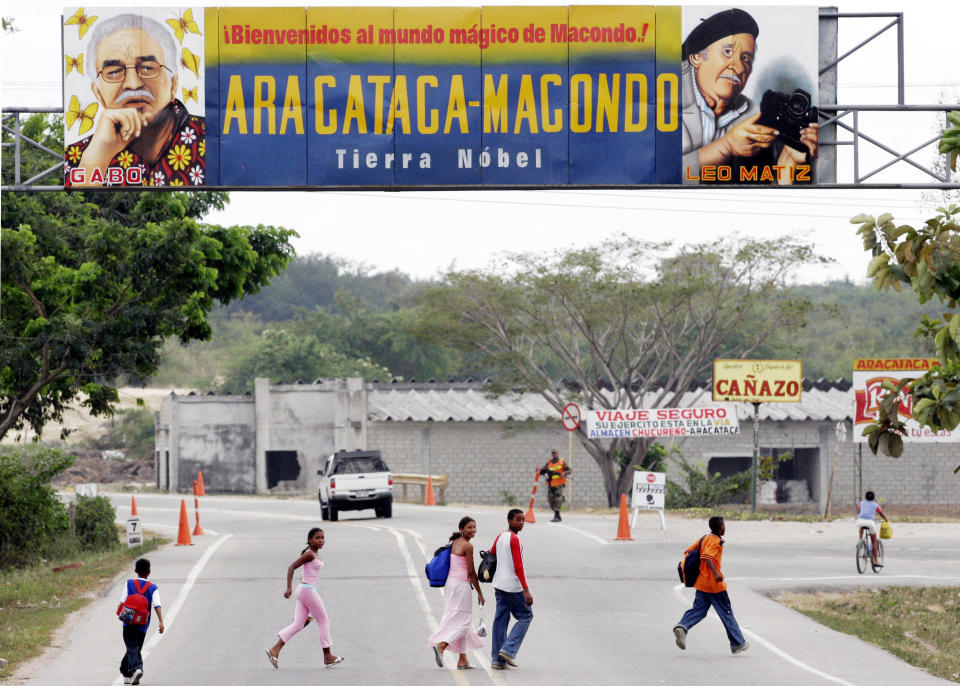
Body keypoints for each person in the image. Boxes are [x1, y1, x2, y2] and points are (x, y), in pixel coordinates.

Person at [65, 13, 205, 187]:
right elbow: (77, 208)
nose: (133, 84)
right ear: (99, 93)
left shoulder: (213, 142)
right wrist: (97, 159)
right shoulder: (77, 156)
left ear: (173, 84)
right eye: (114, 71)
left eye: (147, 68)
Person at [680, 8, 818, 184]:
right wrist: (726, 146)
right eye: (728, 52)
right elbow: (650, 173)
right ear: (696, 57)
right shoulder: (659, 99)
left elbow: (756, 197)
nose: (738, 67)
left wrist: (787, 167)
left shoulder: (753, 117)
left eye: (746, 58)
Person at [265, 527, 343, 669]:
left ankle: (274, 650)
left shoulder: (312, 554)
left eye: (322, 537)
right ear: (309, 540)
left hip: (304, 589)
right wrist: (288, 587)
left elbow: (305, 571)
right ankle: (327, 656)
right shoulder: (310, 555)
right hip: (308, 591)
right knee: (324, 621)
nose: (321, 540)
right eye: (317, 538)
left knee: (298, 624)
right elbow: (291, 567)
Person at [672, 516, 749, 655]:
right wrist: (715, 573)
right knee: (726, 613)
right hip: (714, 585)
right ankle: (738, 643)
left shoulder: (705, 538)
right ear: (720, 528)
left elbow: (689, 551)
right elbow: (706, 557)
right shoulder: (715, 541)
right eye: (724, 525)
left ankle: (682, 627)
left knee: (699, 610)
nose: (725, 527)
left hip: (702, 583)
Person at [429, 516, 486, 670]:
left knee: (459, 619)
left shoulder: (455, 542)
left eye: (474, 527)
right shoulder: (468, 545)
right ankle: (442, 645)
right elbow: (471, 572)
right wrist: (480, 593)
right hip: (461, 585)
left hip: (451, 584)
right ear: (462, 529)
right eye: (469, 527)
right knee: (464, 621)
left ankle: (463, 660)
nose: (473, 530)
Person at [489, 509, 533, 669]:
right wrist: (526, 590)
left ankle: (497, 660)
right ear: (509, 520)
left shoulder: (500, 537)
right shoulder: (514, 539)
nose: (521, 523)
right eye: (518, 520)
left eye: (523, 520)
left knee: (501, 619)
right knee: (526, 616)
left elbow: (491, 554)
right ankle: (508, 650)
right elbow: (518, 566)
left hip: (499, 584)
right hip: (512, 587)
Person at [119, 558, 164, 685]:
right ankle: (131, 671)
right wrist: (161, 621)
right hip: (142, 625)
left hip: (128, 622)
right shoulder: (153, 587)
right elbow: (157, 604)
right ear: (149, 572)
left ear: (135, 571)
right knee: (134, 648)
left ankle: (132, 669)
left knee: (132, 648)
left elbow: (122, 601)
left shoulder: (129, 583)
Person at [856, 491, 889, 567]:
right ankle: (876, 561)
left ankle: (860, 540)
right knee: (874, 541)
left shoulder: (861, 503)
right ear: (874, 498)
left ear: (865, 497)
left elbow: (859, 511)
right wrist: (886, 519)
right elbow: (881, 513)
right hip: (870, 523)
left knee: (861, 525)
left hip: (860, 521)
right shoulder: (875, 505)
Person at [540, 449, 571, 522]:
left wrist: (564, 473)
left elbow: (569, 470)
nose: (554, 454)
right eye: (553, 453)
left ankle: (557, 516)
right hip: (551, 484)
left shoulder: (561, 462)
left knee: (558, 499)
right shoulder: (549, 463)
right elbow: (543, 470)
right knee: (550, 500)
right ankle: (557, 514)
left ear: (558, 453)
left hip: (559, 484)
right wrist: (540, 471)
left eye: (555, 453)